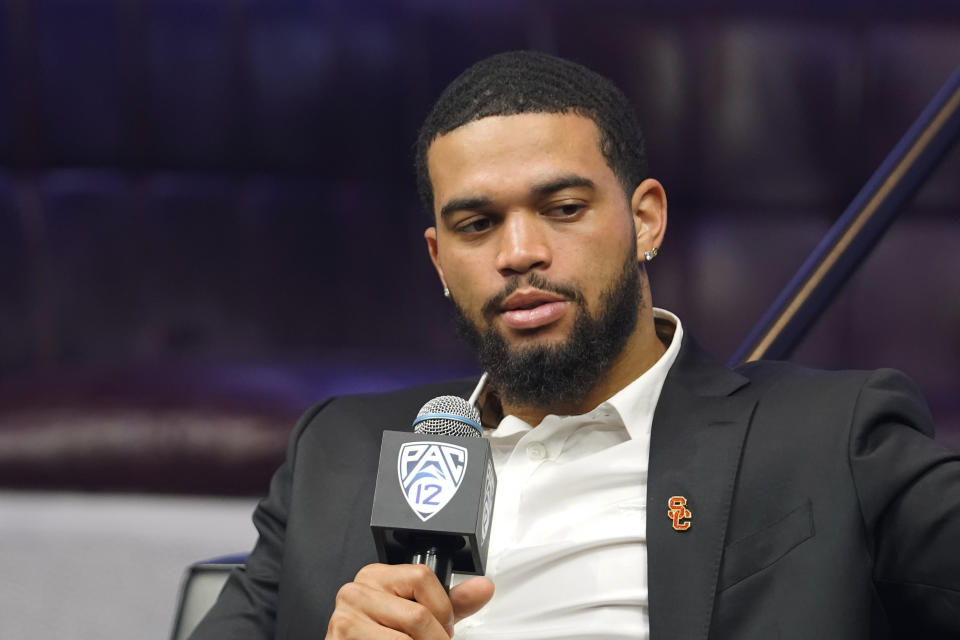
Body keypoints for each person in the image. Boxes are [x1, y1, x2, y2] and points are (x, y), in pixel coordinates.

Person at [190, 51, 960, 640]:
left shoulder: (831, 437)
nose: (519, 251)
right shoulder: (340, 452)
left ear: (646, 219)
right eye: (477, 224)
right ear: (439, 259)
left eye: (562, 208)